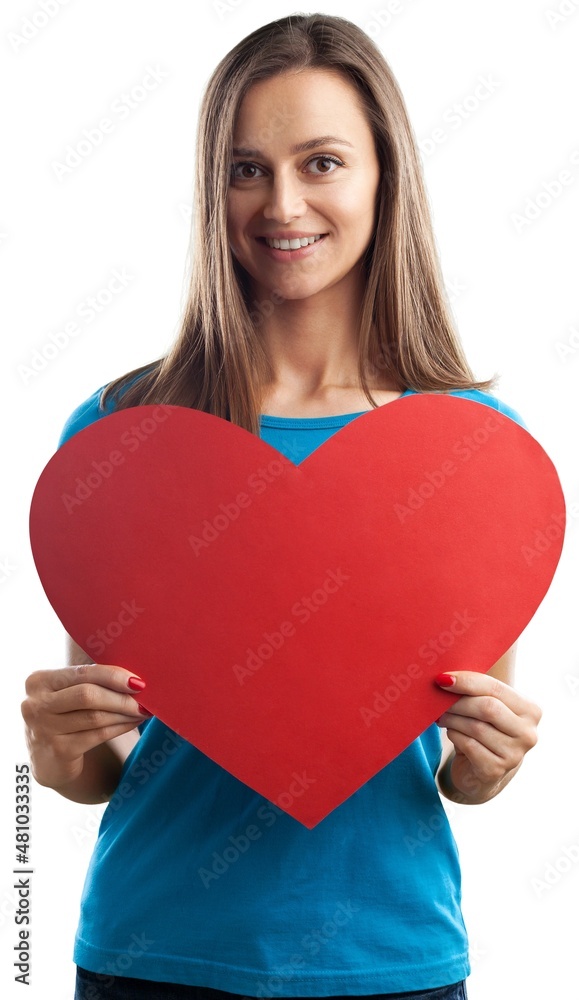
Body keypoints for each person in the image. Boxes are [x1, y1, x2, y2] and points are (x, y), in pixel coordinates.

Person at [22, 13, 542, 1000]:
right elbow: (98, 762)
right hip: (152, 957)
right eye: (246, 167)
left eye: (323, 162)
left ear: (385, 178)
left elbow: (457, 758)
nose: (283, 202)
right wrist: (54, 754)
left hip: (391, 963)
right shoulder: (122, 433)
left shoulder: (475, 450)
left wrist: (491, 766)